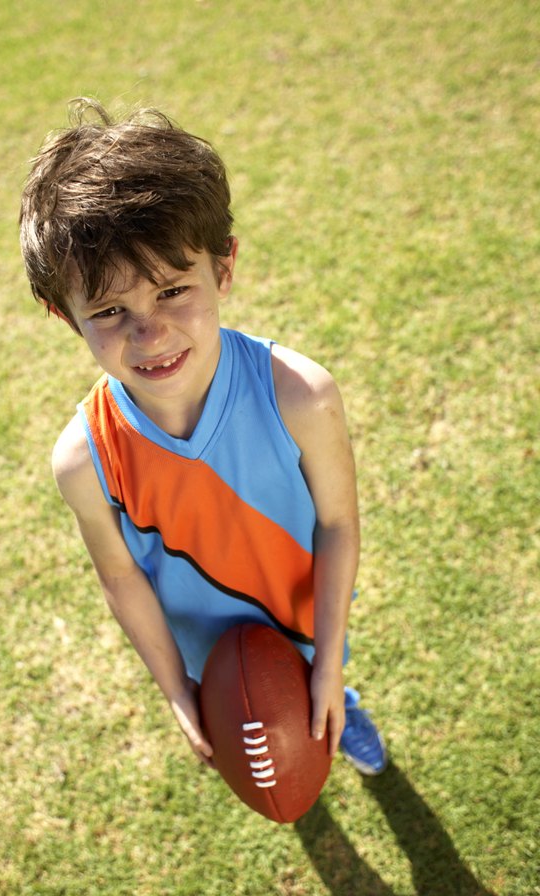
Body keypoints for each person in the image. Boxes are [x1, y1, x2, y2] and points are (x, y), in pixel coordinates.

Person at [19, 97, 387, 776]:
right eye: (108, 310)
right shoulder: (84, 459)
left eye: (171, 291)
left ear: (222, 267)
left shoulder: (301, 396)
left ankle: (343, 701)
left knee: (313, 687)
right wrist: (178, 692)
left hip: (300, 616)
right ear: (64, 316)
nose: (148, 332)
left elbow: (337, 525)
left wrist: (330, 663)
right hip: (206, 653)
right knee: (256, 734)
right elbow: (120, 575)